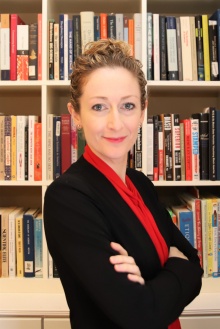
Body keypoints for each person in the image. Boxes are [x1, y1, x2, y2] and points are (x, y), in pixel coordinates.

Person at [43, 39, 203, 329]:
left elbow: (195, 263)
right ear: (76, 114)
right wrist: (175, 267)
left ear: (142, 112)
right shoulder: (67, 198)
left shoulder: (140, 184)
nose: (116, 123)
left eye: (127, 105)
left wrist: (154, 283)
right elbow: (141, 315)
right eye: (99, 107)